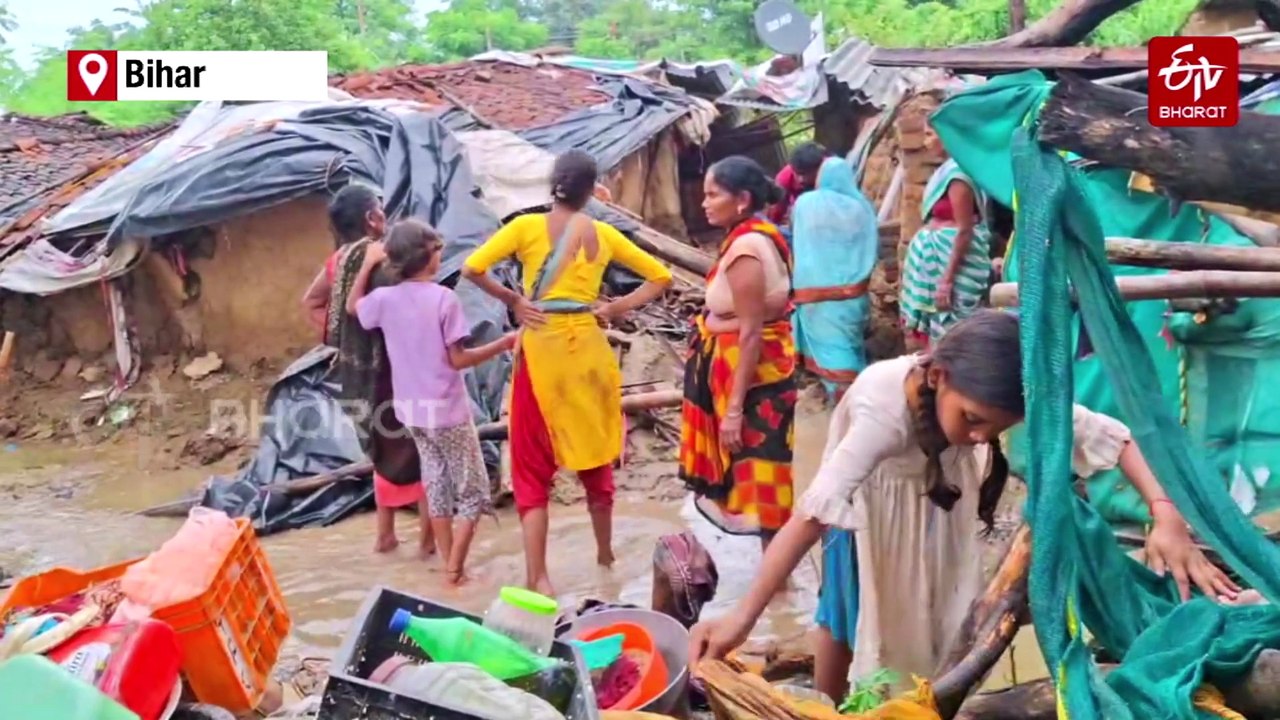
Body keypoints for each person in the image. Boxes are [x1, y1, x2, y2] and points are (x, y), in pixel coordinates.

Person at [688, 311, 1238, 702]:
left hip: (937, 510)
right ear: (937, 377)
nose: (978, 438)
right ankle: (833, 705)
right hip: (865, 516)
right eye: (972, 420)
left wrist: (1165, 515)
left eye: (993, 429)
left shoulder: (985, 397)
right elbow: (810, 517)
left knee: (944, 615)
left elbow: (1113, 439)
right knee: (847, 615)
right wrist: (740, 617)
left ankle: (930, 697)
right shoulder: (884, 409)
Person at [462, 149, 673, 596]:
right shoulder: (603, 234)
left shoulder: (522, 228)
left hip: (542, 352)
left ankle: (539, 576)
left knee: (532, 469)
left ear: (552, 184)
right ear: (592, 193)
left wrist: (515, 301)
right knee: (595, 458)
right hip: (589, 354)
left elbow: (472, 267)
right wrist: (615, 308)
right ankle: (606, 556)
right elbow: (660, 277)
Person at [347, 219, 514, 586]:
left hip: (412, 413)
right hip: (448, 411)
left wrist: (364, 265)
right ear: (426, 257)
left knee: (436, 482)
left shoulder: (385, 300)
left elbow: (352, 307)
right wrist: (503, 344)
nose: (442, 254)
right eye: (437, 249)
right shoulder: (444, 299)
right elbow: (458, 360)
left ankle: (447, 564)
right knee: (473, 493)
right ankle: (454, 570)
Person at [304, 184, 431, 556]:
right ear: (372, 218)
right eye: (380, 209)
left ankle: (385, 536)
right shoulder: (387, 262)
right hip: (395, 372)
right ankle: (427, 545)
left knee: (382, 450)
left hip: (357, 376)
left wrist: (339, 341)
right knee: (420, 452)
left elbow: (311, 302)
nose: (385, 216)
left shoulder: (339, 262)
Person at [680, 156, 797, 549]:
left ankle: (777, 586)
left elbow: (751, 334)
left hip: (753, 386)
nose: (705, 203)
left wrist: (733, 409)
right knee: (761, 483)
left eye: (713, 195)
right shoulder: (752, 237)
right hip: (752, 380)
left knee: (766, 485)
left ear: (742, 199)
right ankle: (776, 586)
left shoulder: (747, 248)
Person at [790, 156, 879, 401]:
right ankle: (857, 395)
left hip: (815, 295)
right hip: (853, 294)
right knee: (849, 345)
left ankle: (845, 402)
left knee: (831, 352)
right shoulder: (862, 208)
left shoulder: (805, 203)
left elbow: (798, 241)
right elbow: (871, 248)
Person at [899, 122, 993, 348]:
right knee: (935, 338)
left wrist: (946, 281)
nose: (925, 142)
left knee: (953, 333)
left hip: (952, 266)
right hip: (935, 260)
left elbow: (964, 230)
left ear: (947, 136)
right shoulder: (944, 171)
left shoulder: (958, 177)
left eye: (930, 134)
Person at [767, 142, 827, 228]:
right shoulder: (784, 178)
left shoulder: (830, 169)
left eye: (805, 174)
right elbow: (776, 212)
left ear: (818, 168)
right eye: (797, 173)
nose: (801, 179)